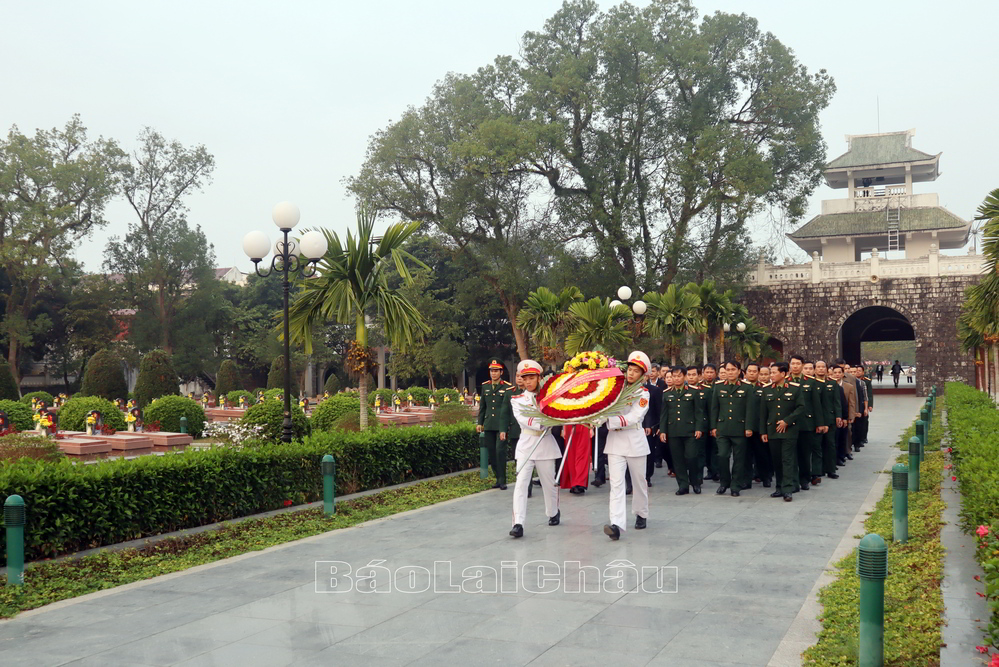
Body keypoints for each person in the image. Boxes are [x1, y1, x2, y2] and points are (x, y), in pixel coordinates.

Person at [508, 360, 562, 538]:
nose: (529, 381)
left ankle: (553, 512)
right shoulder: (517, 400)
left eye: (532, 378)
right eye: (526, 378)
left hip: (545, 444)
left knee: (549, 484)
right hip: (526, 444)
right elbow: (526, 420)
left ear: (539, 378)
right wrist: (548, 420)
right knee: (521, 484)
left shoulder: (550, 398)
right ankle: (518, 523)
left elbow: (559, 416)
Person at [602, 351, 652, 540]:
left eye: (635, 371)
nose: (630, 374)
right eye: (629, 369)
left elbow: (635, 417)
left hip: (634, 440)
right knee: (616, 484)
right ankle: (616, 524)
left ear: (642, 375)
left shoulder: (643, 393)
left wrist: (610, 421)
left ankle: (641, 513)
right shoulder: (615, 388)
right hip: (615, 442)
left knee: (639, 482)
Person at [760, 361, 805, 502]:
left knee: (787, 459)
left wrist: (787, 420)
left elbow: (801, 408)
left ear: (783, 373)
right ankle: (779, 487)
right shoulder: (766, 390)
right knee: (777, 461)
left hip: (789, 430)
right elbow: (763, 414)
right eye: (771, 372)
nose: (771, 375)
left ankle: (788, 489)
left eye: (774, 372)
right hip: (772, 431)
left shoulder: (795, 389)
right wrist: (763, 432)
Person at [659, 366, 706, 496]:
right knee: (678, 460)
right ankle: (683, 485)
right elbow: (664, 414)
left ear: (684, 377)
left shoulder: (694, 391)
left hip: (690, 430)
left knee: (692, 457)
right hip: (673, 430)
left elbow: (698, 412)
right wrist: (663, 430)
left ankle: (695, 482)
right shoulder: (667, 393)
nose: (677, 378)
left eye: (679, 376)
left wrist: (698, 428)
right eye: (674, 376)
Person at [710, 360, 752, 497]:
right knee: (722, 456)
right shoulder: (718, 386)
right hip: (722, 428)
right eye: (728, 370)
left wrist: (749, 427)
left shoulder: (747, 387)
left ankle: (736, 485)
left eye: (733, 369)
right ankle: (724, 482)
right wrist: (713, 426)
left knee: (739, 459)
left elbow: (750, 410)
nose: (730, 372)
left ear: (739, 371)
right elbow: (714, 408)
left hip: (740, 428)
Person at [788, 355, 824, 490]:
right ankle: (793, 480)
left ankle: (804, 479)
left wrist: (819, 423)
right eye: (793, 364)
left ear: (802, 365)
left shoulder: (811, 382)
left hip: (806, 423)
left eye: (798, 364)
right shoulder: (786, 381)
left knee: (804, 453)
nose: (795, 366)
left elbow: (816, 404)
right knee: (791, 454)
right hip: (790, 424)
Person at [477, 359, 512, 489]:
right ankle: (497, 478)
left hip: (501, 425)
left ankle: (503, 480)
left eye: (496, 371)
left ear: (501, 372)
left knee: (500, 452)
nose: (494, 373)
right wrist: (480, 422)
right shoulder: (485, 386)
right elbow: (483, 406)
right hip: (489, 424)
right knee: (492, 452)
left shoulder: (507, 387)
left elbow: (508, 408)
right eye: (492, 371)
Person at [744, 362, 772, 489]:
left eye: (754, 371)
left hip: (760, 427)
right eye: (749, 371)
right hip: (744, 427)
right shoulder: (741, 387)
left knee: (762, 454)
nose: (752, 373)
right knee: (745, 455)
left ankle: (765, 477)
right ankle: (746, 480)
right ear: (745, 373)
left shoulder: (765, 388)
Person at [814, 360, 841, 479]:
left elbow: (837, 402)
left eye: (823, 367)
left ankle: (831, 469)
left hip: (830, 419)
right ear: (815, 369)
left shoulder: (832, 383)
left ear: (826, 369)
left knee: (830, 445)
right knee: (817, 446)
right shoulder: (812, 383)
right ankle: (818, 470)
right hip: (816, 420)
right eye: (818, 367)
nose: (820, 369)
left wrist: (838, 416)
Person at [830, 365, 851, 465]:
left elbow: (844, 404)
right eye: (835, 373)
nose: (837, 375)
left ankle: (840, 457)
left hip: (840, 416)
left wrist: (845, 417)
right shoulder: (826, 385)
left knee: (841, 438)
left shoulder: (841, 388)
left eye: (839, 372)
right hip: (829, 417)